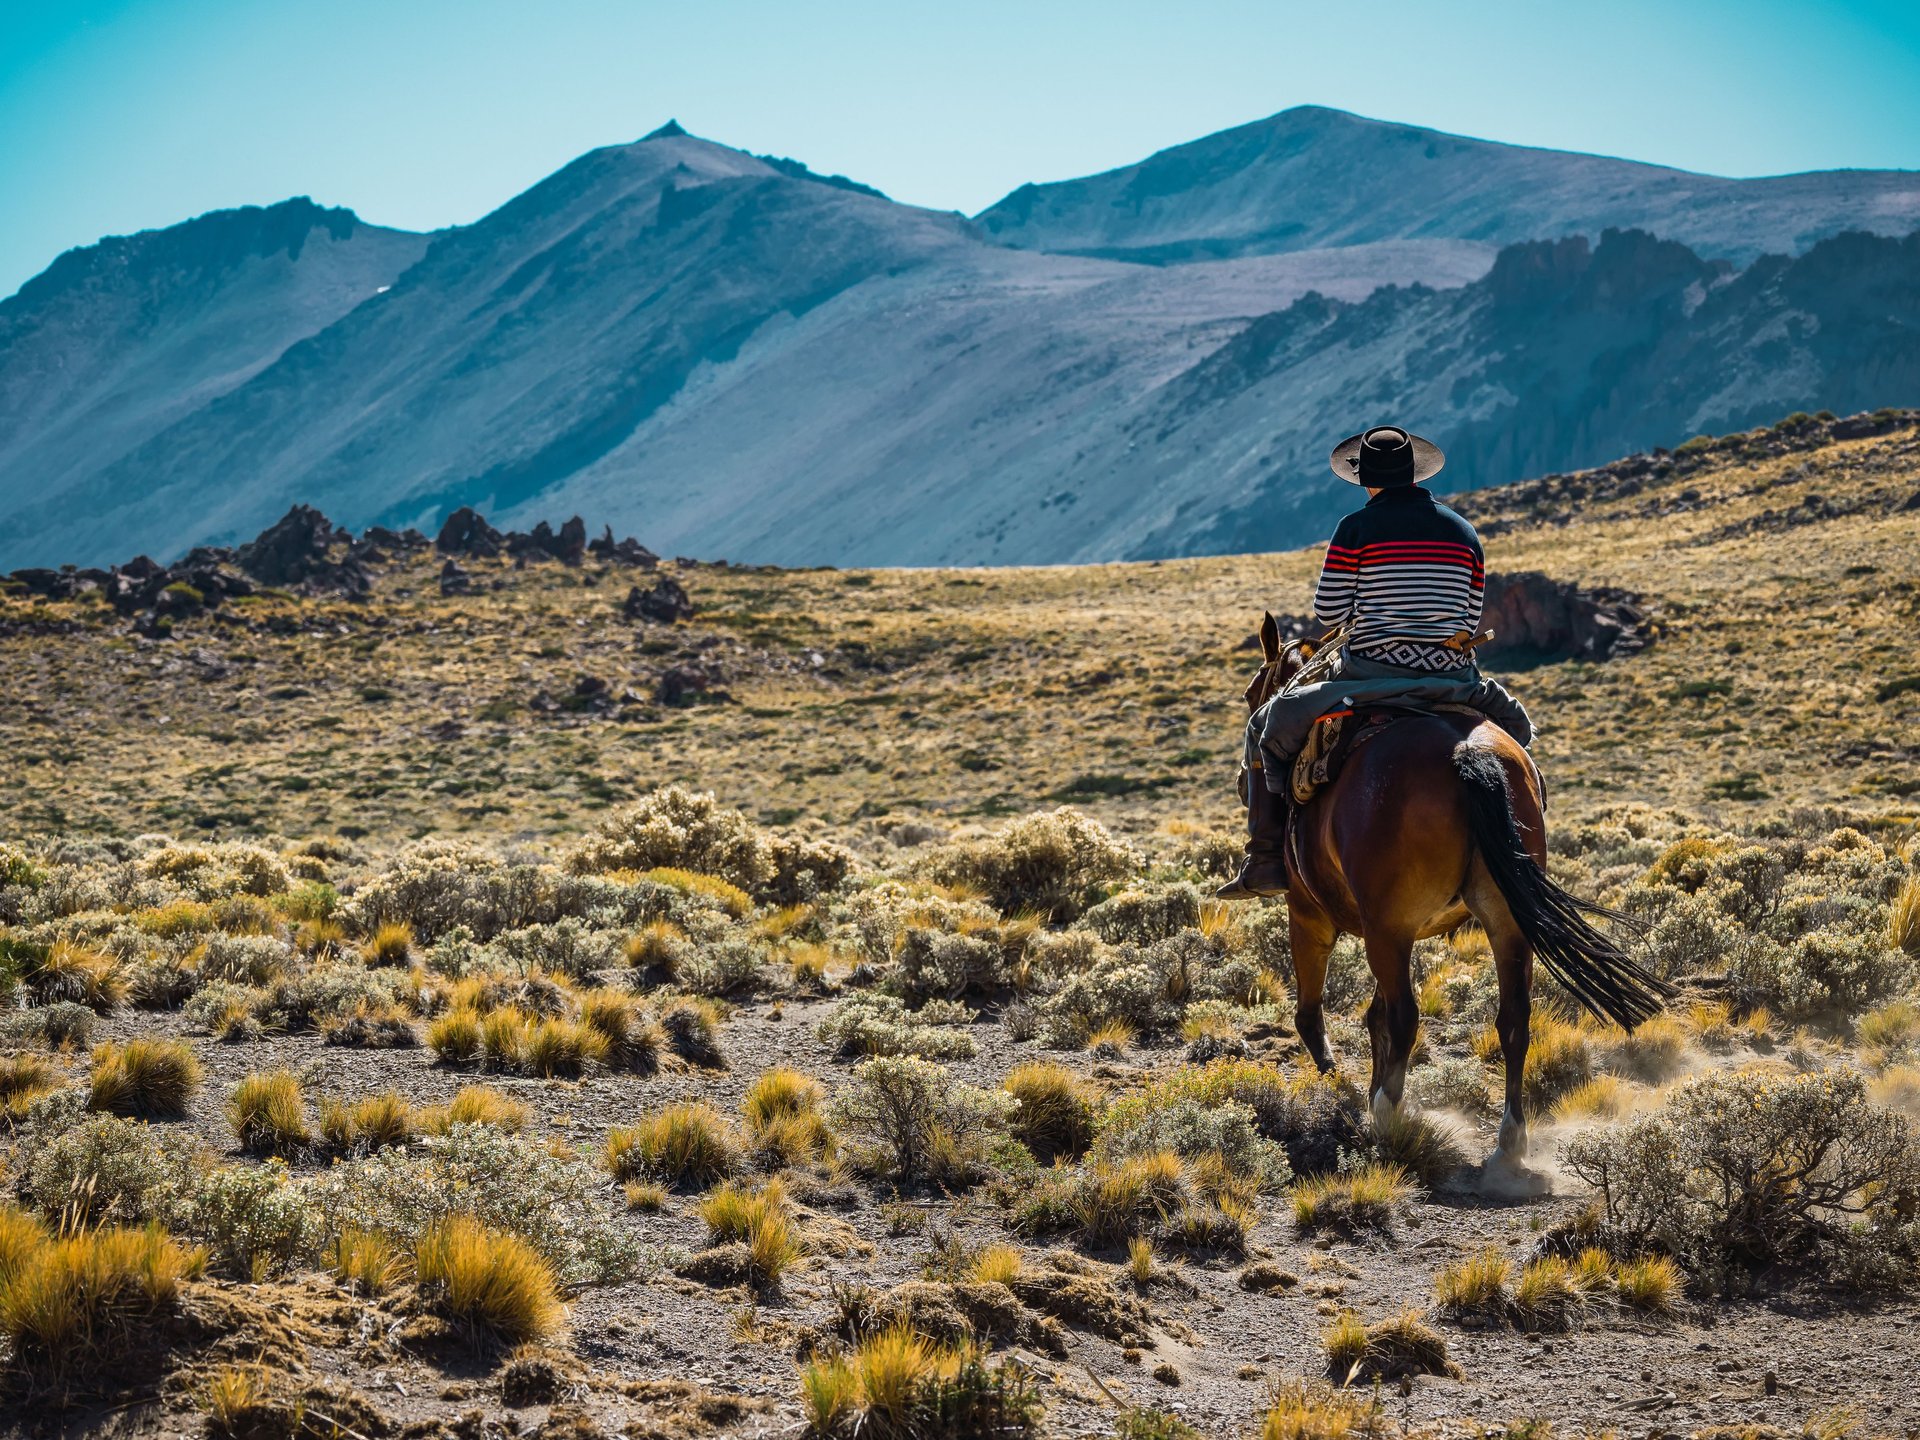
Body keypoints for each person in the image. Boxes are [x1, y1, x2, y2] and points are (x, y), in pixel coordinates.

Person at [1218, 425, 1533, 900]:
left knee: (1268, 721)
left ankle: (1265, 856)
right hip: (1453, 679)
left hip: (1370, 674)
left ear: (1367, 480)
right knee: (1517, 730)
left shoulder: (1355, 529)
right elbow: (1470, 615)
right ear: (1413, 473)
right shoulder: (1463, 533)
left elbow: (1329, 614)